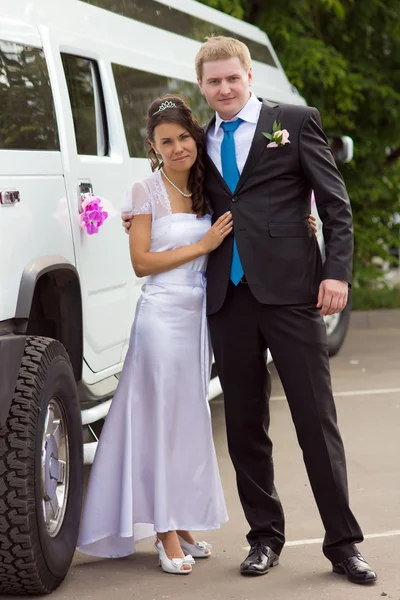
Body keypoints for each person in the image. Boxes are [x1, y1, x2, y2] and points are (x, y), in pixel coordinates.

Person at [122, 36, 378, 586]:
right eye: (213, 82)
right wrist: (134, 216)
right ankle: (264, 537)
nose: (223, 89)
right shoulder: (197, 143)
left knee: (315, 421)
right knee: (243, 426)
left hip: (292, 294)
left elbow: (335, 204)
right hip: (227, 300)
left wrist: (336, 272)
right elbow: (178, 198)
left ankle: (343, 543)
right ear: (203, 87)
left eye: (231, 78)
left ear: (249, 76)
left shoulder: (295, 120)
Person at [77, 95, 232, 575]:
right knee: (162, 421)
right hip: (161, 315)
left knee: (187, 419)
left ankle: (182, 518)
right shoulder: (145, 191)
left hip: (197, 319)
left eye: (185, 137)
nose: (178, 147)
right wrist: (201, 244)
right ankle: (164, 532)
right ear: (153, 146)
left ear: (195, 137)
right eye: (167, 141)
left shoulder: (212, 188)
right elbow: (141, 263)